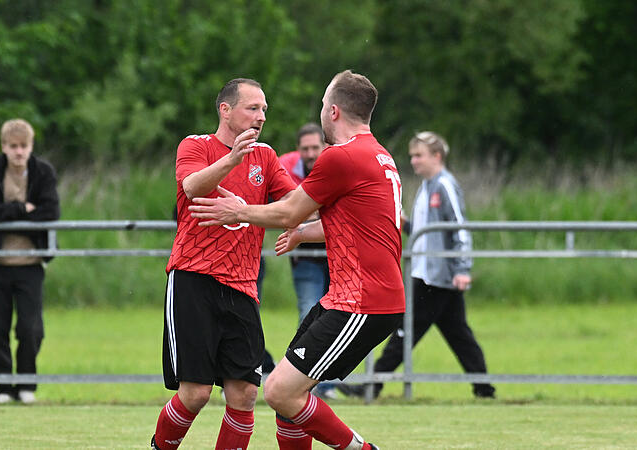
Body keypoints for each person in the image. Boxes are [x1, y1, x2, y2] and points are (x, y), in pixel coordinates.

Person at [191, 70, 402, 450]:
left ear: (334, 112)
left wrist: (238, 212)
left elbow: (289, 211)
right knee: (290, 398)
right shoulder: (379, 155)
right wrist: (304, 234)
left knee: (280, 393)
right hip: (349, 298)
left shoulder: (342, 157)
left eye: (323, 105)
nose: (321, 112)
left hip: (362, 302)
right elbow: (356, 224)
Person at [151, 78, 297, 450]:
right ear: (225, 110)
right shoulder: (196, 145)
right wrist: (232, 159)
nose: (261, 116)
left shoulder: (265, 156)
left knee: (246, 392)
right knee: (196, 393)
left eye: (264, 109)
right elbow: (191, 187)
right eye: (253, 108)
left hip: (243, 286)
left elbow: (294, 205)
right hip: (193, 279)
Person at [339, 131, 495, 400]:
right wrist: (405, 223)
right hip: (427, 273)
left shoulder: (444, 185)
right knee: (459, 334)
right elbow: (427, 233)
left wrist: (461, 269)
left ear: (437, 156)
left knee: (404, 332)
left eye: (418, 155)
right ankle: (484, 389)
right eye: (411, 155)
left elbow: (459, 228)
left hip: (436, 277)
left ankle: (371, 385)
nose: (413, 161)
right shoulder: (427, 186)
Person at [0, 119, 60, 404]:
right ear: (4, 147)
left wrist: (9, 217)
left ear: (31, 147)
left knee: (30, 327)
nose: (19, 152)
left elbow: (50, 212)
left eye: (24, 146)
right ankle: (3, 386)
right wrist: (22, 209)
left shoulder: (43, 172)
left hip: (31, 263)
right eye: (13, 146)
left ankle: (26, 382)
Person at [278, 123, 336, 400]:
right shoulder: (285, 167)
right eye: (305, 149)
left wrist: (307, 213)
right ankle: (303, 384)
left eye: (316, 147)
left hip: (339, 258)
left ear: (324, 147)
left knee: (336, 319)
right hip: (305, 258)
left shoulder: (336, 163)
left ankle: (326, 385)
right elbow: (287, 209)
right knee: (308, 316)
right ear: (298, 150)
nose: (311, 153)